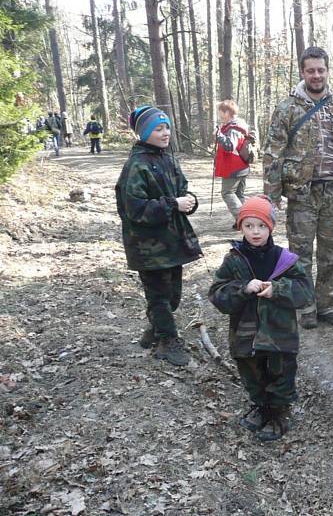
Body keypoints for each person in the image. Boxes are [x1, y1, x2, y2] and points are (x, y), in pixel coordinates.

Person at [263, 46, 333, 329]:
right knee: (300, 253)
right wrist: (272, 195)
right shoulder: (287, 108)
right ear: (302, 72)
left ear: (327, 71)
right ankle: (304, 306)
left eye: (321, 70)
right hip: (301, 193)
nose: (316, 75)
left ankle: (328, 304)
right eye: (310, 70)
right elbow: (273, 152)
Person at [209, 196, 314, 441]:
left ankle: (278, 411)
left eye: (261, 226)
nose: (255, 232)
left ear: (271, 228)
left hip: (280, 334)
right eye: (249, 226)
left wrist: (277, 290)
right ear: (240, 227)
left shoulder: (285, 260)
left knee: (281, 372)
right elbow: (216, 293)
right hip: (245, 334)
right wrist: (243, 288)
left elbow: (305, 292)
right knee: (251, 372)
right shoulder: (234, 259)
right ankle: (261, 405)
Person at [115, 106, 202, 367]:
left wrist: (190, 201)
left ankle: (155, 330)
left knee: (173, 296)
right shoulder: (136, 166)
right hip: (147, 246)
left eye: (167, 127)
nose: (165, 133)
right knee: (159, 296)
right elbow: (136, 210)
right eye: (158, 128)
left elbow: (182, 190)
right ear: (144, 133)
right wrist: (172, 204)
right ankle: (167, 340)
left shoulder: (167, 159)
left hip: (172, 241)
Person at [214, 100, 251, 228]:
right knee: (238, 195)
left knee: (227, 193)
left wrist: (219, 136)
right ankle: (241, 222)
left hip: (234, 167)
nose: (219, 116)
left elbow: (230, 146)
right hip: (241, 166)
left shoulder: (234, 128)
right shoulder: (237, 126)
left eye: (220, 113)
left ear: (227, 113)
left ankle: (245, 221)